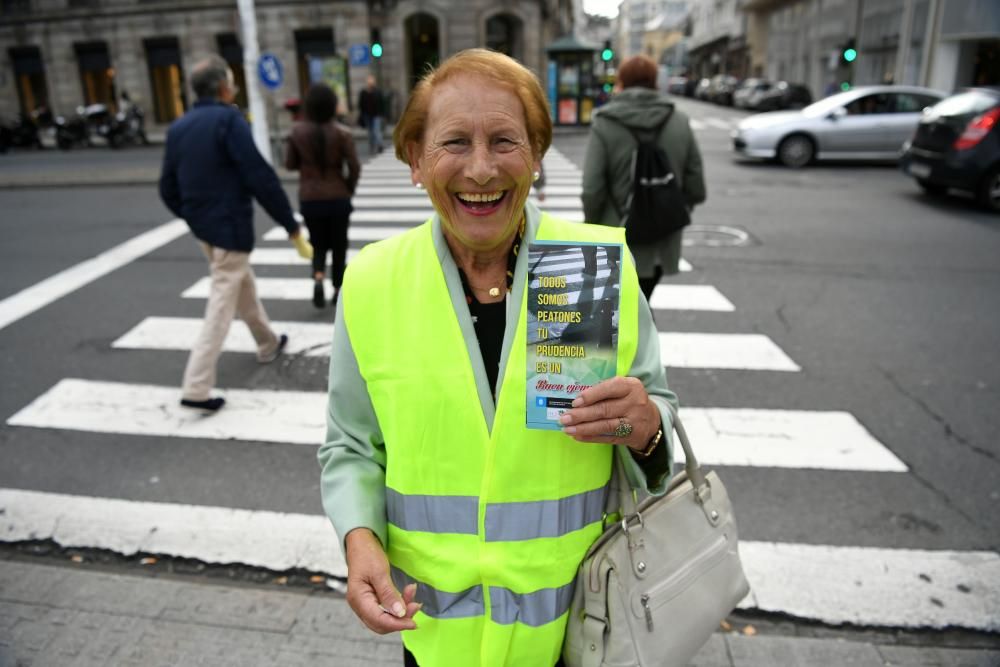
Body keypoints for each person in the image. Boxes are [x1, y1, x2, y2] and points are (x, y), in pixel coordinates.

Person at [318, 49, 678, 667]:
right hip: (435, 637)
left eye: (505, 141)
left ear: (536, 158)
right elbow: (351, 445)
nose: (481, 170)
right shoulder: (375, 281)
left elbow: (657, 426)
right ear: (415, 161)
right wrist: (359, 541)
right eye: (454, 142)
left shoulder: (585, 270)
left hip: (576, 628)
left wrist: (647, 429)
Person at [159, 55, 312, 412]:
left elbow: (167, 188)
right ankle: (196, 387)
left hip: (206, 231)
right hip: (228, 228)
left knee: (242, 286)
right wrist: (290, 225)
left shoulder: (179, 127)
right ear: (224, 87)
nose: (236, 87)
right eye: (233, 81)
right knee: (221, 304)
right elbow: (259, 176)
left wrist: (194, 217)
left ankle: (267, 342)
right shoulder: (229, 120)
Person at [581, 54, 706, 301]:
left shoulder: (605, 123)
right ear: (655, 82)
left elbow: (592, 188)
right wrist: (668, 207)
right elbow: (696, 186)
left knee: (618, 316)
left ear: (621, 82)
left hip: (616, 236)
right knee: (642, 305)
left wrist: (593, 227)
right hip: (663, 238)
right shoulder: (678, 120)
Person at [285, 83, 361, 307]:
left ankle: (318, 277)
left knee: (317, 243)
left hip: (310, 198)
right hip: (338, 197)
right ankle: (338, 289)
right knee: (339, 245)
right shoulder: (342, 133)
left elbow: (289, 164)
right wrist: (348, 188)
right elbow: (354, 166)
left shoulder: (297, 133)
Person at [358, 74, 385, 154]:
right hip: (367, 115)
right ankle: (372, 146)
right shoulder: (363, 92)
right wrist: (362, 115)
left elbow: (382, 103)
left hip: (376, 115)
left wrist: (383, 114)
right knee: (370, 132)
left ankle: (380, 145)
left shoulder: (377, 91)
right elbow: (360, 104)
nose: (370, 83)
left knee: (376, 131)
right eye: (369, 81)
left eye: (372, 81)